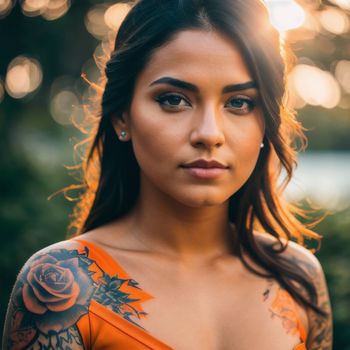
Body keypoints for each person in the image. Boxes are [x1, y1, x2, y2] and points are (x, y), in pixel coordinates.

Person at [2, 0, 332, 349]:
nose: (209, 133)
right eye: (174, 99)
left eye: (239, 103)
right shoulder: (62, 287)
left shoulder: (298, 279)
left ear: (265, 123)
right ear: (122, 117)